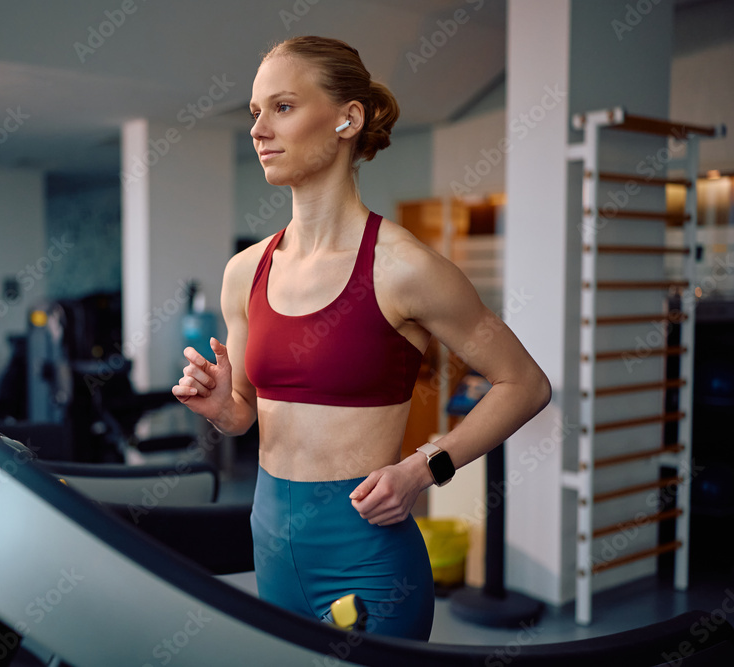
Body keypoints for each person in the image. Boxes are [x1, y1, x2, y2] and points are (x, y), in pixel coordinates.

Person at [172, 35, 551, 640]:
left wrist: (425, 467)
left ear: (347, 119)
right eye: (256, 112)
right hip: (270, 548)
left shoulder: (404, 268)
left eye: (283, 107)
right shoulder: (244, 272)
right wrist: (223, 408)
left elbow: (525, 385)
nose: (259, 130)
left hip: (368, 559)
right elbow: (244, 414)